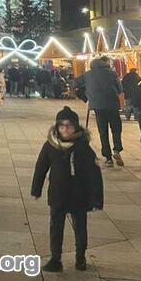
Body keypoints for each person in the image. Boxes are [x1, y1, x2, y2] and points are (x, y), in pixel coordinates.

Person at [31, 106, 103, 272]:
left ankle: (80, 257)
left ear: (76, 126)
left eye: (69, 125)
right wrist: (36, 188)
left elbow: (94, 174)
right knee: (56, 227)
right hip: (58, 193)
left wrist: (96, 198)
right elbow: (41, 167)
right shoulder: (51, 145)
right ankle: (55, 259)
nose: (65, 129)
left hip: (79, 194)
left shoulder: (83, 147)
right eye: (62, 125)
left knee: (80, 227)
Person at [74, 57, 124, 167]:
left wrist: (85, 95)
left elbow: (75, 84)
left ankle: (108, 157)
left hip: (98, 106)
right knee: (116, 129)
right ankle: (117, 149)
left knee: (103, 131)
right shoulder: (112, 74)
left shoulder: (87, 75)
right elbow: (120, 89)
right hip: (113, 106)